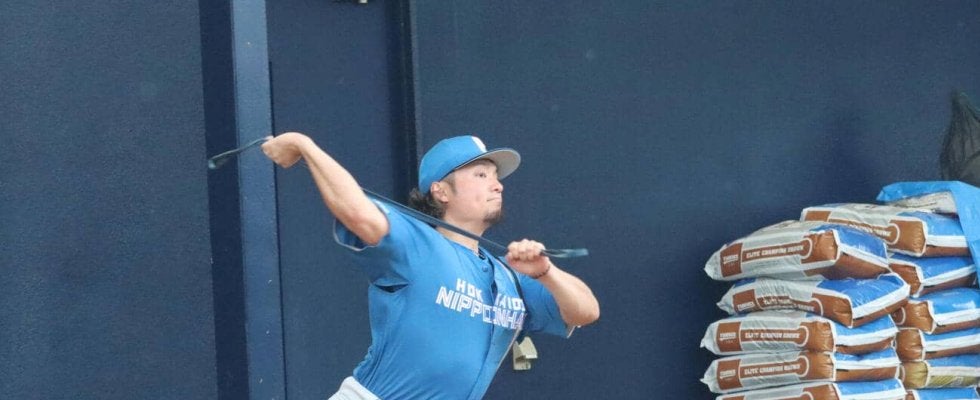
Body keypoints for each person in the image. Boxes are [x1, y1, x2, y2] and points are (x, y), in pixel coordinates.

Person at [261, 132, 600, 400]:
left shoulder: (511, 274)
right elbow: (357, 212)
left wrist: (547, 273)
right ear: (441, 191)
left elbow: (586, 312)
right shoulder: (418, 242)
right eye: (481, 174)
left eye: (496, 177)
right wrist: (304, 145)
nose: (497, 184)